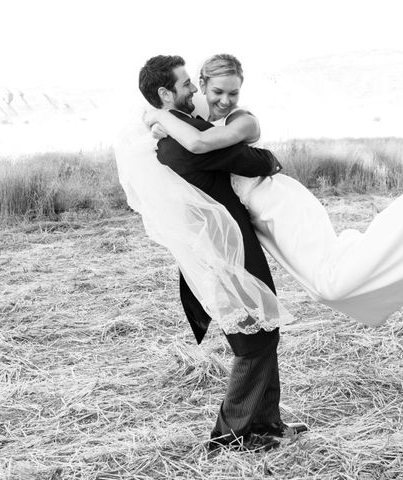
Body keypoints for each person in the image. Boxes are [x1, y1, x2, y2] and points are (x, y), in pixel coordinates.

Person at [143, 53, 403, 327]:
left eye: (234, 92)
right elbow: (189, 137)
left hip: (278, 201)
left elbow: (204, 145)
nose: (225, 100)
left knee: (330, 282)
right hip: (259, 213)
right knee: (322, 283)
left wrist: (158, 116)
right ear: (202, 87)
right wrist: (164, 119)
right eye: (217, 92)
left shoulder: (243, 120)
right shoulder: (190, 119)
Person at [124, 55, 307, 453]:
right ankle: (228, 436)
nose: (193, 90)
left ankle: (266, 424)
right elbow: (255, 159)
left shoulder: (178, 130)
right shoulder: (180, 143)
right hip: (226, 251)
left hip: (229, 245)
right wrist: (267, 156)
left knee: (264, 332)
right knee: (251, 340)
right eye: (186, 84)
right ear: (165, 93)